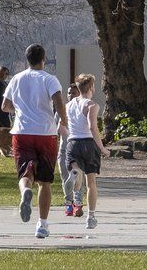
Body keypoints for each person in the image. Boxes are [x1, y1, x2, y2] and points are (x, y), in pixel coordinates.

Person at [1, 44, 67, 239]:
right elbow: (58, 101)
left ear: (27, 59)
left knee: (25, 172)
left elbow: (5, 106)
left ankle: (25, 193)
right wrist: (63, 119)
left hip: (22, 132)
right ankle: (42, 225)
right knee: (45, 181)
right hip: (46, 133)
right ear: (43, 59)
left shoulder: (16, 79)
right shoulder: (49, 79)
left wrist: (21, 109)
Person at [64, 74, 109, 229]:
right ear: (91, 88)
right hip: (88, 143)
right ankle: (91, 217)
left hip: (72, 142)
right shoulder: (92, 105)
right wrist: (102, 148)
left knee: (76, 176)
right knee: (91, 183)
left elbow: (62, 127)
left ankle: (74, 174)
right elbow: (92, 127)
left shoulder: (68, 105)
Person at [59, 83, 85, 217]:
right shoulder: (62, 109)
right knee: (66, 177)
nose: (71, 95)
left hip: (77, 149)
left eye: (74, 93)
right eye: (69, 93)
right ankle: (69, 204)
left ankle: (78, 203)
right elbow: (57, 129)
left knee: (78, 175)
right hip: (63, 149)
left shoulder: (83, 109)